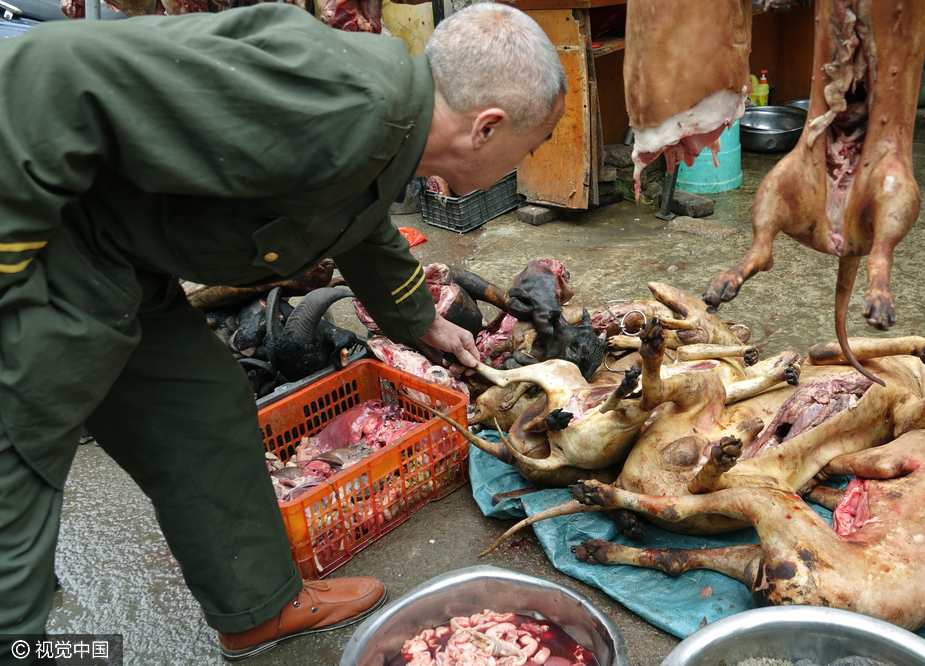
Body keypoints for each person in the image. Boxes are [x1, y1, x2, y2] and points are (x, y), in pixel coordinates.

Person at [0, 1, 566, 661]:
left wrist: (421, 323)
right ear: (488, 128)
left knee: (199, 408)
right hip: (47, 243)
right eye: (529, 149)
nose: (521, 166)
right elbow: (52, 70)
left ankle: (259, 608)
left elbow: (358, 220)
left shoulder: (386, 126)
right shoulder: (336, 101)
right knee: (19, 459)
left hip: (118, 254)